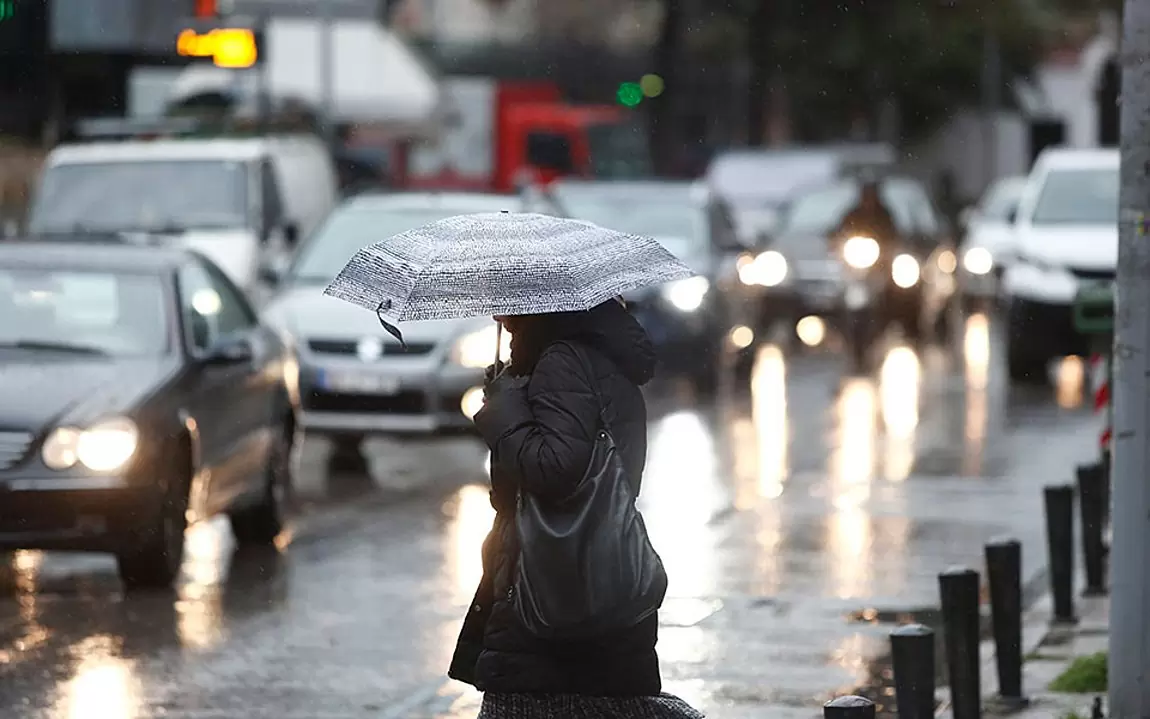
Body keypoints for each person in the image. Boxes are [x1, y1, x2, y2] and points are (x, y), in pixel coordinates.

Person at [450, 298, 705, 719]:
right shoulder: (592, 359)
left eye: (509, 305)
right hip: (590, 581)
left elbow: (555, 470)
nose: (501, 319)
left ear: (539, 306)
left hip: (552, 592)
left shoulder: (562, 361)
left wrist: (504, 410)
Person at [835, 177, 901, 254]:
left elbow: (893, 233)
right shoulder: (852, 215)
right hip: (857, 253)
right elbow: (842, 231)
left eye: (872, 195)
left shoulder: (884, 215)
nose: (869, 199)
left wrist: (890, 244)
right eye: (866, 195)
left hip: (882, 255)